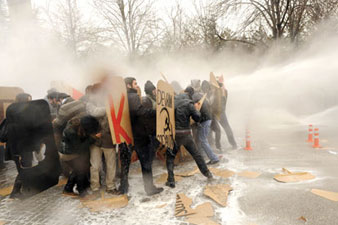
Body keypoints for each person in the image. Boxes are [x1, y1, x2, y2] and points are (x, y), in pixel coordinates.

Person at [119, 77, 163, 196]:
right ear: (128, 85)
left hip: (132, 134)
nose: (137, 85)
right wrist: (156, 111)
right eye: (135, 83)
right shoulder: (132, 97)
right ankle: (149, 188)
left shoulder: (124, 97)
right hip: (140, 134)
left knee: (130, 163)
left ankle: (124, 188)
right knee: (146, 163)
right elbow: (140, 112)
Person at [165, 87, 213, 188]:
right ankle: (207, 173)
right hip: (186, 134)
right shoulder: (189, 103)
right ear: (191, 95)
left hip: (175, 135)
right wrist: (196, 109)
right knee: (196, 155)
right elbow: (197, 118)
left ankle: (171, 180)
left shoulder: (172, 101)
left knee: (170, 157)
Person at [86, 83, 119, 195]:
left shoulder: (111, 101)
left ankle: (111, 186)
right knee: (95, 165)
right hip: (95, 140)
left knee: (111, 165)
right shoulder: (90, 104)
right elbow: (94, 112)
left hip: (109, 138)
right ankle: (95, 187)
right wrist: (109, 108)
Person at [1, 93, 32, 199]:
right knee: (24, 169)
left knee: (24, 169)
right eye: (28, 100)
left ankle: (22, 189)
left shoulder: (12, 112)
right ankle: (15, 192)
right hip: (20, 147)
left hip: (16, 147)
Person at [60, 115, 99, 197]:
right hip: (68, 154)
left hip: (70, 151)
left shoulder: (77, 125)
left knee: (77, 170)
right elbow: (79, 148)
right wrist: (92, 138)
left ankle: (68, 189)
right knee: (81, 169)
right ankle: (81, 191)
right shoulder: (72, 132)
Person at [192, 87, 221, 164]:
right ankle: (203, 156)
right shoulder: (201, 96)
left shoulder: (194, 97)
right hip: (207, 119)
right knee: (200, 139)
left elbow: (196, 110)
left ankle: (214, 158)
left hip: (204, 120)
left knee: (203, 140)